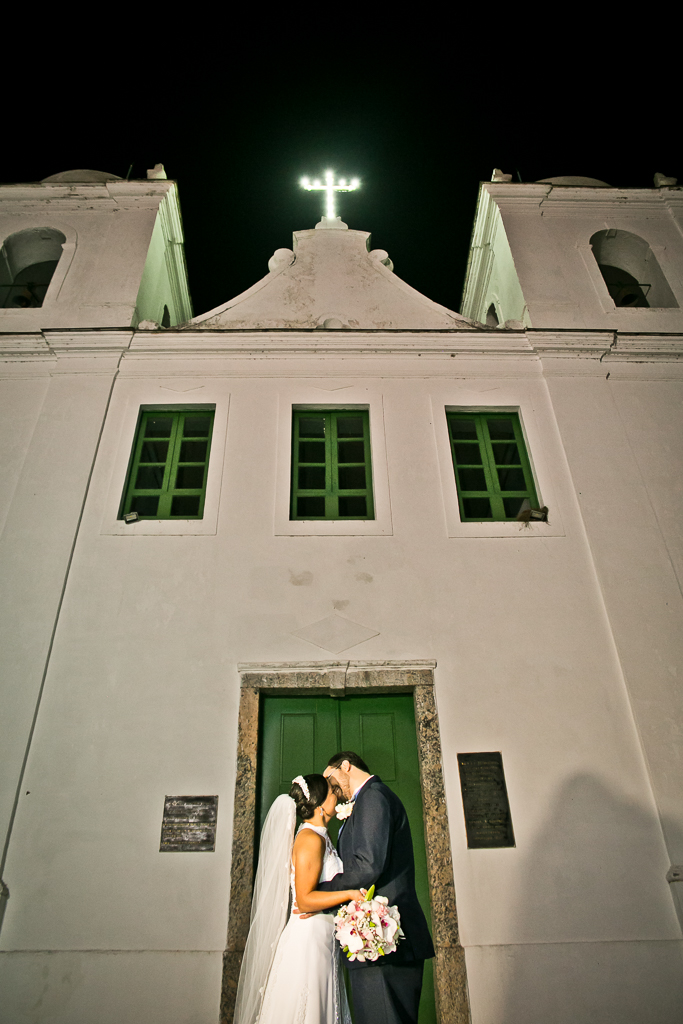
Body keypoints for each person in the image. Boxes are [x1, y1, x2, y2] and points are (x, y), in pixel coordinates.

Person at [233, 772, 364, 1024]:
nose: (335, 794)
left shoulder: (321, 836)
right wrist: (349, 895)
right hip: (308, 941)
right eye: (330, 790)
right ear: (318, 802)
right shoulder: (309, 839)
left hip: (323, 937)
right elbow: (304, 900)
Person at [317, 751, 435, 1024]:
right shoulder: (364, 801)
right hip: (376, 944)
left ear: (345, 765)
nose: (329, 786)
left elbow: (368, 866)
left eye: (330, 777)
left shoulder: (373, 797)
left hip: (386, 944)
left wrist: (320, 892)